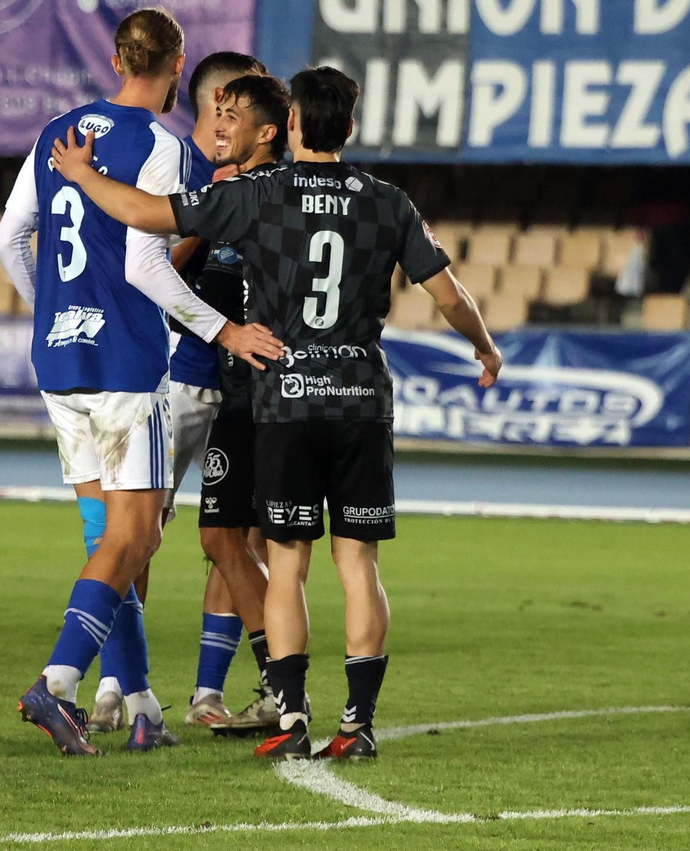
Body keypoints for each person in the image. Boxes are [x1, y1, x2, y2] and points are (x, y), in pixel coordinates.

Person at [49, 65, 502, 761]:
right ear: (349, 128)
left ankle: (291, 719)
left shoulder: (260, 193)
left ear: (290, 127)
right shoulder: (388, 202)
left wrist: (81, 174)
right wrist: (485, 348)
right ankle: (358, 724)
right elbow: (447, 293)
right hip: (360, 402)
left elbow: (144, 215)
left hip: (285, 400)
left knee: (285, 562)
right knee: (359, 564)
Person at [0, 7, 282, 755]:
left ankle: (143, 702)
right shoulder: (165, 147)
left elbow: (7, 238)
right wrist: (222, 329)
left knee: (108, 536)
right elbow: (144, 265)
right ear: (176, 65)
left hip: (59, 362)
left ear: (118, 59)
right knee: (138, 534)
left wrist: (53, 310)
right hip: (125, 365)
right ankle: (57, 683)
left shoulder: (57, 130)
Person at [82, 49, 270, 734]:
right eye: (237, 101)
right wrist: (207, 213)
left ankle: (208, 694)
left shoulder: (269, 178)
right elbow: (149, 263)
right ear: (216, 101)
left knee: (230, 537)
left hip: (247, 385)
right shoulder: (179, 165)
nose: (242, 116)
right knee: (142, 531)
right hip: (179, 375)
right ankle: (116, 685)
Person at [190, 74, 294, 738]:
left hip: (260, 391)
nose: (217, 126)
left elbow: (156, 239)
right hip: (249, 389)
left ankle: (283, 686)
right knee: (240, 538)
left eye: (230, 117)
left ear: (268, 132)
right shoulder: (244, 191)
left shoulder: (248, 193)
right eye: (214, 114)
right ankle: (277, 685)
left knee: (228, 535)